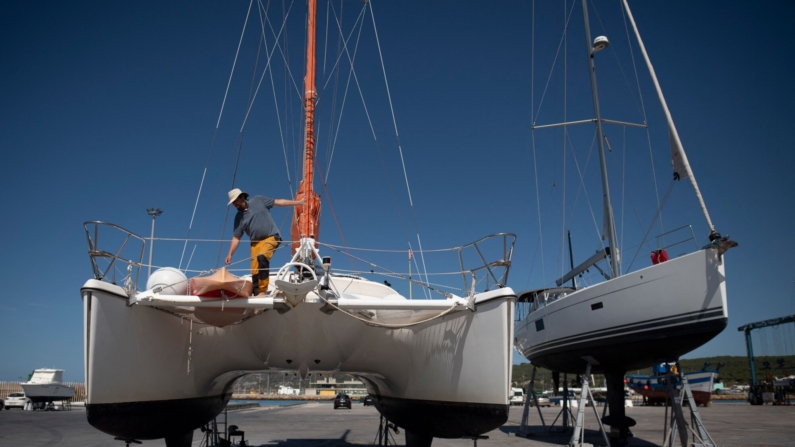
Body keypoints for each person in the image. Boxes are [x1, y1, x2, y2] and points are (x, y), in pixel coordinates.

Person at [225, 188, 303, 296]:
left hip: (271, 237)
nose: (234, 204)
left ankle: (262, 291)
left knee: (262, 257)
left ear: (242, 197)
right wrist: (230, 254)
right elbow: (236, 237)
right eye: (233, 202)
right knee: (255, 270)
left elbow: (279, 202)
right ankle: (257, 294)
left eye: (235, 200)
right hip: (255, 244)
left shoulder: (258, 200)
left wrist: (298, 203)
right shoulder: (238, 218)